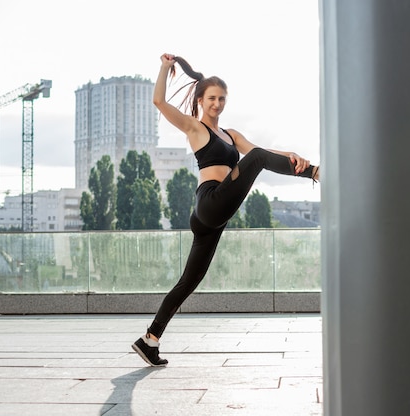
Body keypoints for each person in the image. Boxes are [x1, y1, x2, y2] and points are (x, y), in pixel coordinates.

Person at [131, 54, 320, 366]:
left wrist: (289, 154)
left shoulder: (231, 135)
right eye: (212, 99)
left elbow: (260, 151)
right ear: (202, 101)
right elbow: (159, 101)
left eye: (221, 99)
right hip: (210, 200)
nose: (217, 104)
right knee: (258, 159)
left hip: (209, 220)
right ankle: (316, 173)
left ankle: (150, 339)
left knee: (189, 281)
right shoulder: (194, 127)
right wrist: (165, 68)